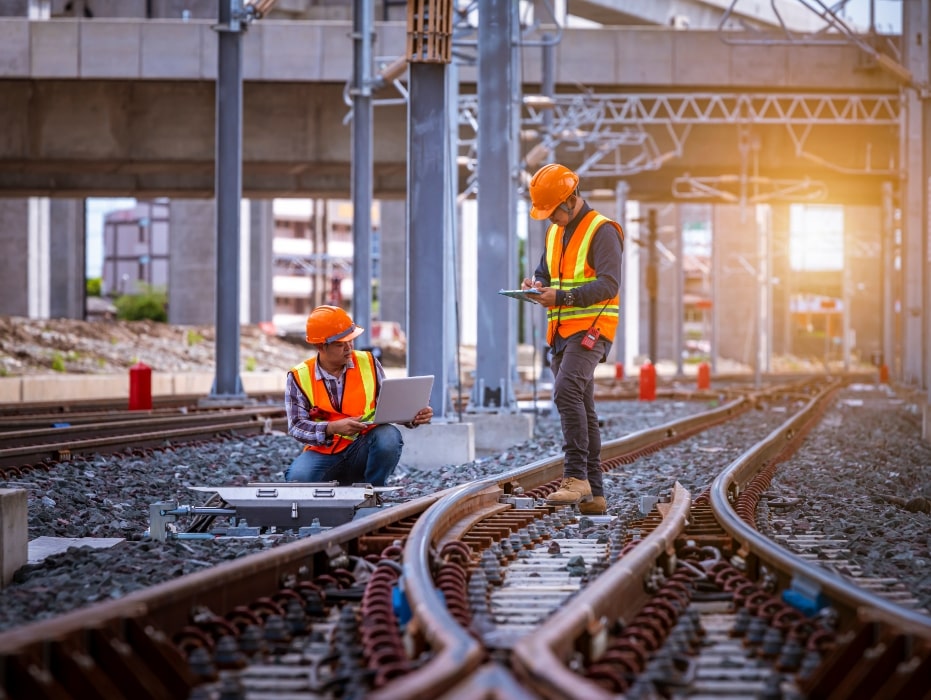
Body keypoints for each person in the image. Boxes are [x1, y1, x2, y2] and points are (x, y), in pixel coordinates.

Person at [521, 163, 624, 515]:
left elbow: (609, 284)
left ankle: (575, 476)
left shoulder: (602, 230)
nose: (551, 220)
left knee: (566, 392)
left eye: (553, 212)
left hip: (592, 330)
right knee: (583, 403)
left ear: (571, 199)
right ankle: (594, 493)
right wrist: (534, 286)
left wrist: (561, 298)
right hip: (561, 333)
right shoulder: (554, 233)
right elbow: (544, 272)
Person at [284, 305, 433, 486]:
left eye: (351, 340)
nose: (348, 347)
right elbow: (296, 426)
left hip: (364, 446)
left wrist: (412, 416)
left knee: (388, 436)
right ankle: (340, 486)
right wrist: (332, 428)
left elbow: (386, 407)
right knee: (298, 479)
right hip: (324, 451)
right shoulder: (299, 376)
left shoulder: (368, 362)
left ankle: (373, 492)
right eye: (340, 343)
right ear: (320, 346)